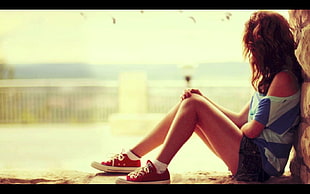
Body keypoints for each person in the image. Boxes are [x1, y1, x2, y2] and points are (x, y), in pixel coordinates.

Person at [91, 10, 303, 184]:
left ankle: (158, 167)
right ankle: (132, 157)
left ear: (267, 46)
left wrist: (238, 123)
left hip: (259, 167)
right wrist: (205, 100)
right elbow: (240, 120)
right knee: (191, 101)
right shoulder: (271, 79)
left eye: (254, 46)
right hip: (251, 158)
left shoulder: (283, 79)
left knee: (193, 104)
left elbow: (251, 129)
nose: (252, 52)